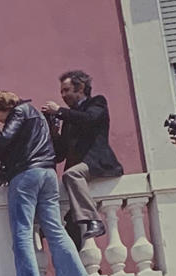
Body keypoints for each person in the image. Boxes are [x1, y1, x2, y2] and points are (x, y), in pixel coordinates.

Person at [0, 89, 92, 276]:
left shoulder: (19, 112)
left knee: (22, 230)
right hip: (48, 173)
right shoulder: (38, 115)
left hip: (26, 174)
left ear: (3, 107)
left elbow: (5, 138)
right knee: (55, 229)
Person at [42, 69, 123, 247]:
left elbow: (90, 119)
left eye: (66, 90)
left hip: (97, 163)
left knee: (71, 175)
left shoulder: (97, 102)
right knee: (74, 232)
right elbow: (61, 154)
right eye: (61, 91)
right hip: (78, 174)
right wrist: (53, 133)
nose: (63, 95)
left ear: (80, 89)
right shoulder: (69, 118)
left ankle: (94, 220)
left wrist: (60, 111)